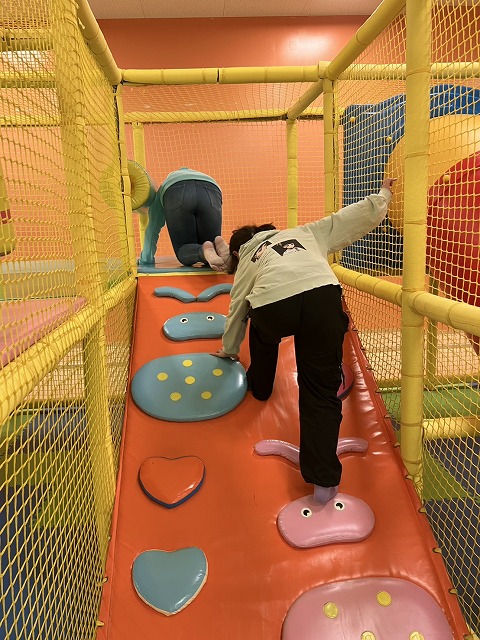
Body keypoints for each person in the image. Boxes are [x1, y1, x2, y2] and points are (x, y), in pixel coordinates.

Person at [212, 177, 396, 505]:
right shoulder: (305, 232)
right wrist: (383, 195)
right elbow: (350, 218)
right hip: (322, 298)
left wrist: (229, 349)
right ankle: (324, 482)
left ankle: (261, 385)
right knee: (320, 389)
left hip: (273, 306)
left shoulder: (250, 257)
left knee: (260, 328)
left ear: (239, 251)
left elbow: (237, 307)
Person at [138, 167, 227, 269]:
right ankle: (218, 248)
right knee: (212, 246)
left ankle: (204, 250)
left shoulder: (163, 187)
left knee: (183, 249)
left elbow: (153, 228)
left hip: (175, 189)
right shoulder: (202, 176)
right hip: (212, 187)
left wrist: (146, 259)